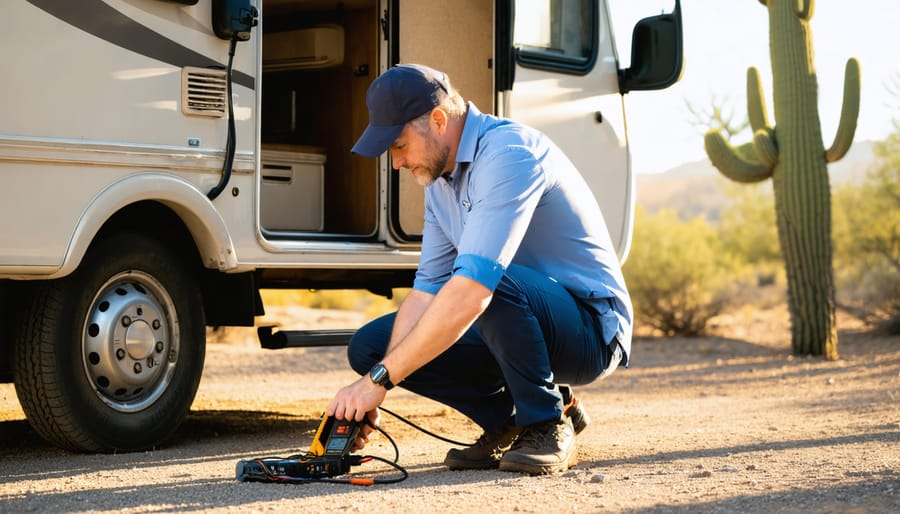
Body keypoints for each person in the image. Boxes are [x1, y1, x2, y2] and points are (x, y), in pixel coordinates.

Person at [326, 63, 632, 475]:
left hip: (590, 330)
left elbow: (473, 291)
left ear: (437, 120)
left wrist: (376, 382)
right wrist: (378, 383)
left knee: (483, 280)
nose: (396, 163)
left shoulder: (508, 155)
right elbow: (425, 293)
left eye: (399, 146)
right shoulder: (439, 183)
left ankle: (545, 422)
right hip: (515, 317)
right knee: (371, 348)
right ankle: (513, 417)